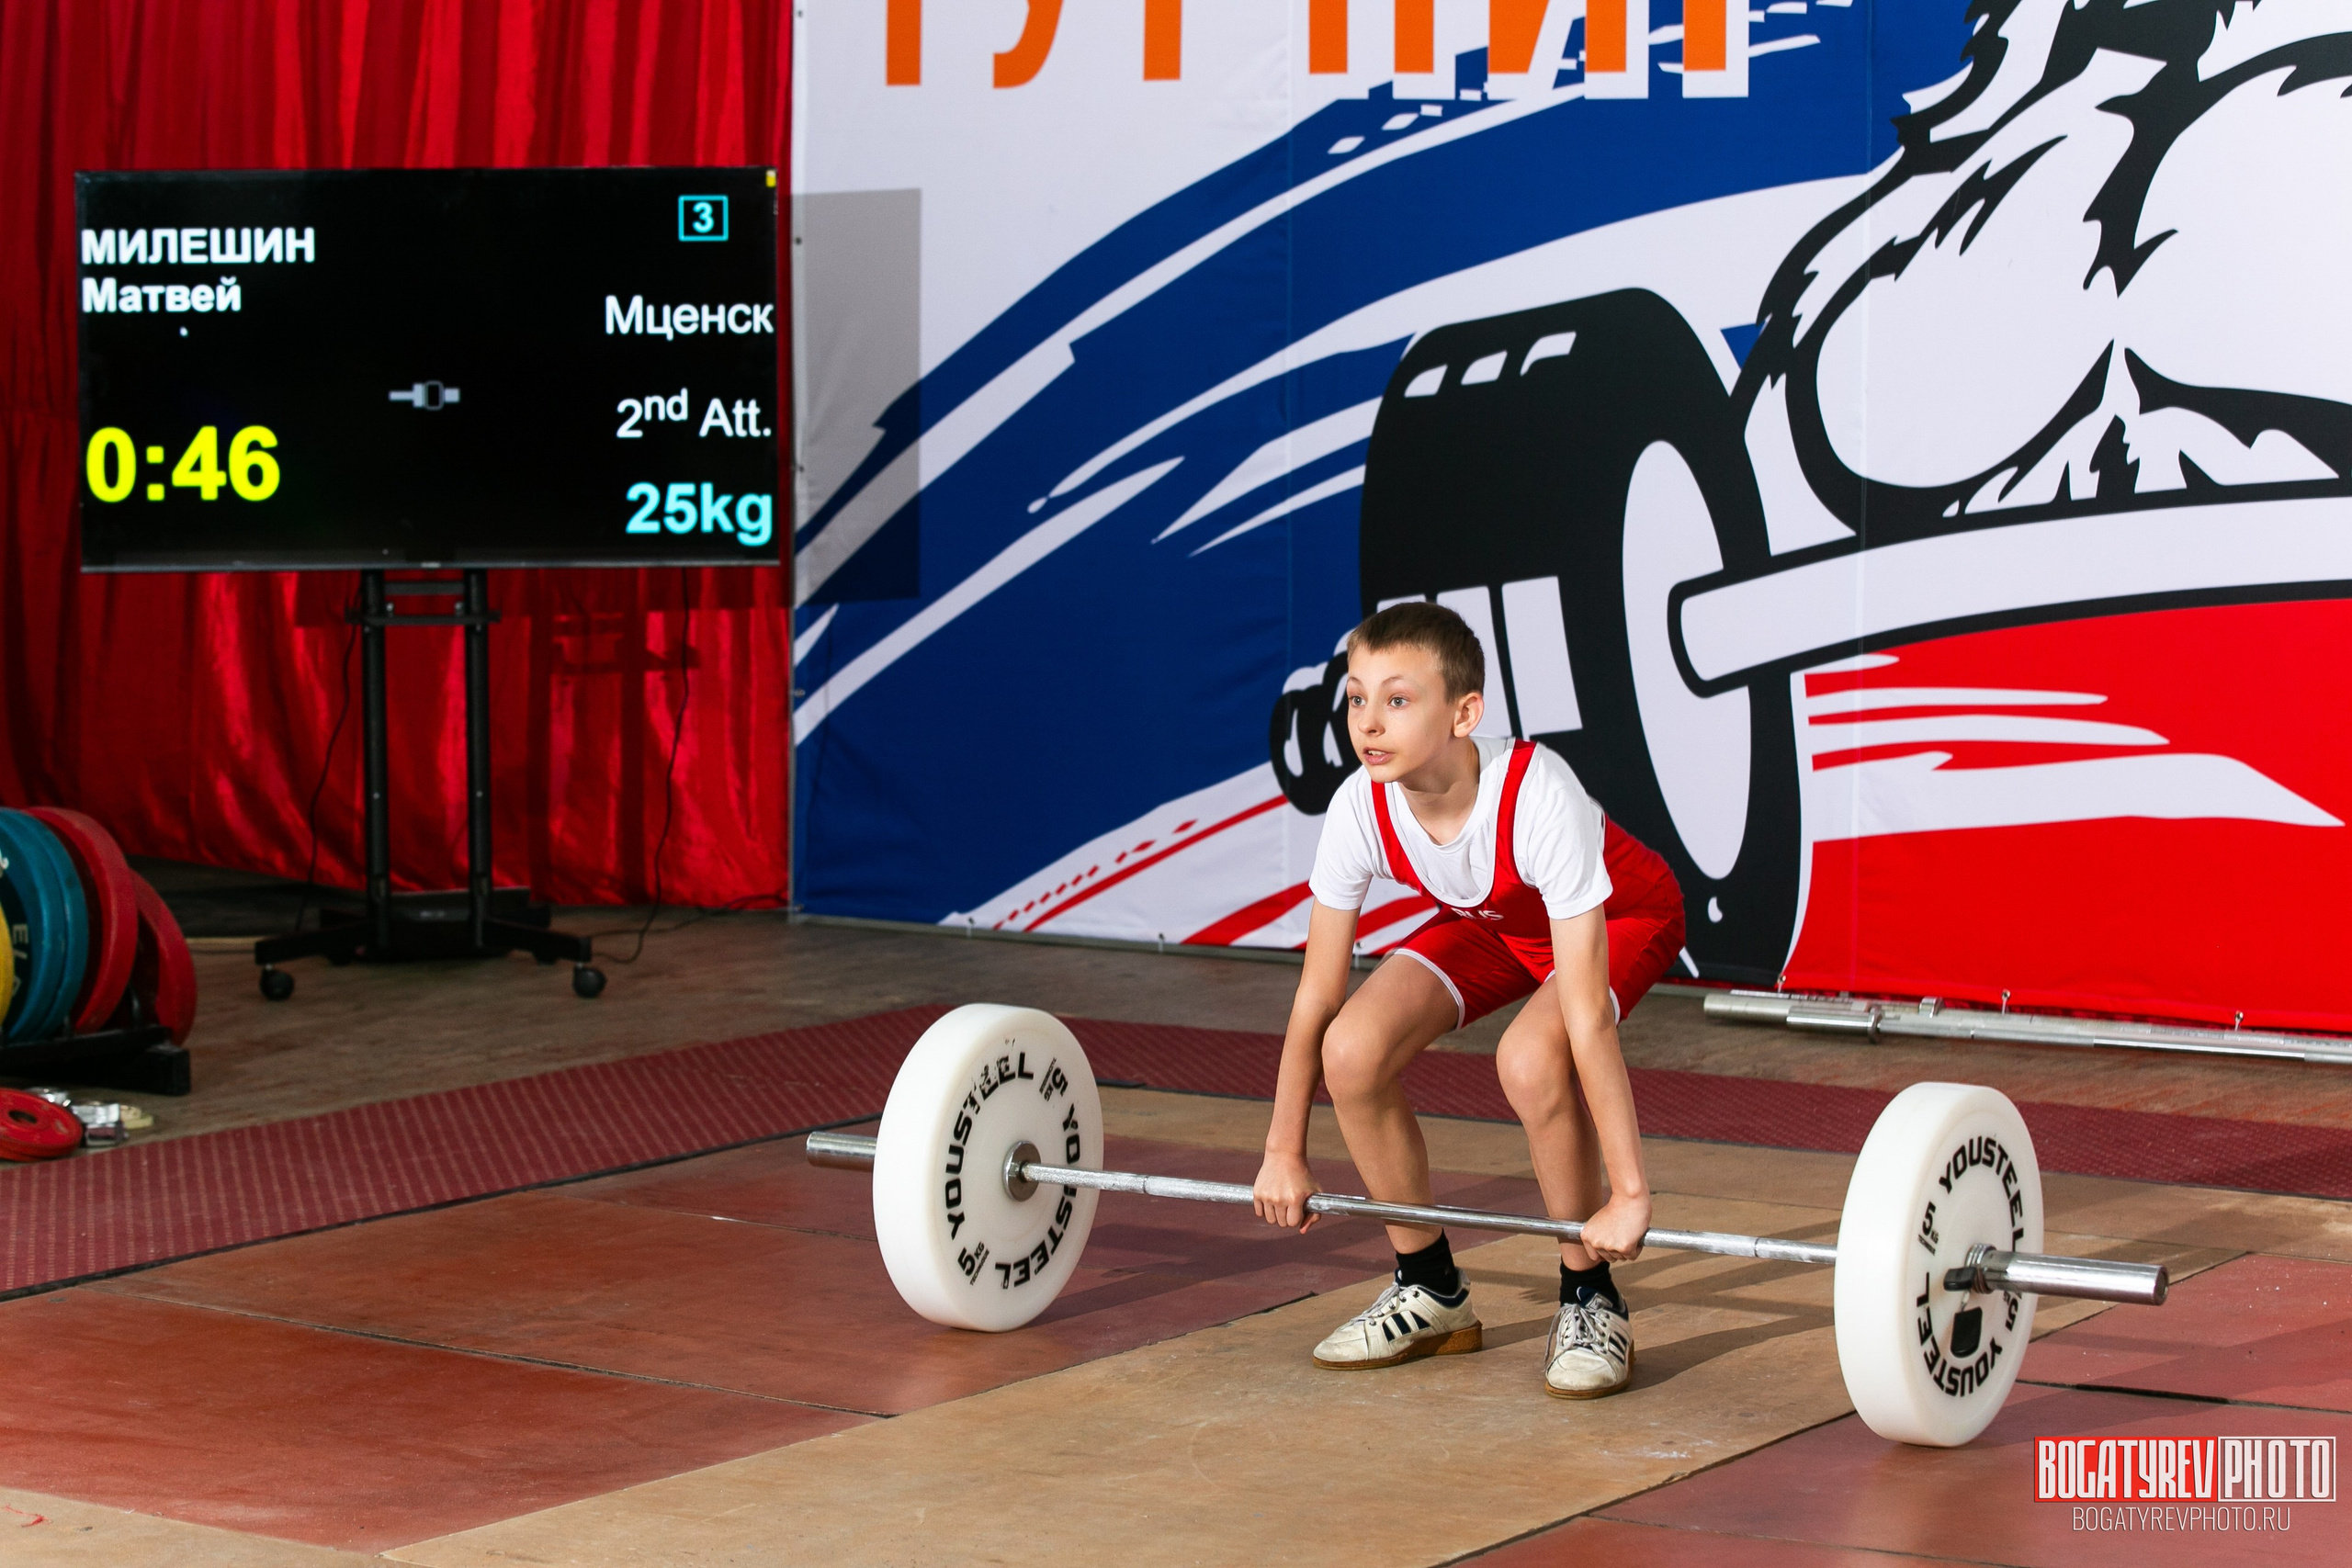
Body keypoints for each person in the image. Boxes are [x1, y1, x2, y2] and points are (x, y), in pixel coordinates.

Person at [1251, 601, 1684, 1398]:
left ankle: (1589, 1294)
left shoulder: (1538, 793)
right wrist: (1283, 1149)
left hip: (1625, 915)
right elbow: (1316, 995)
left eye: (1397, 699)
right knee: (1351, 1048)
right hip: (1496, 922)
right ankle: (1430, 1286)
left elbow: (1586, 1016)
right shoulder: (1360, 805)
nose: (1368, 721)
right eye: (1356, 697)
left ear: (1464, 713)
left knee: (1530, 1057)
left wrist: (1630, 1194)